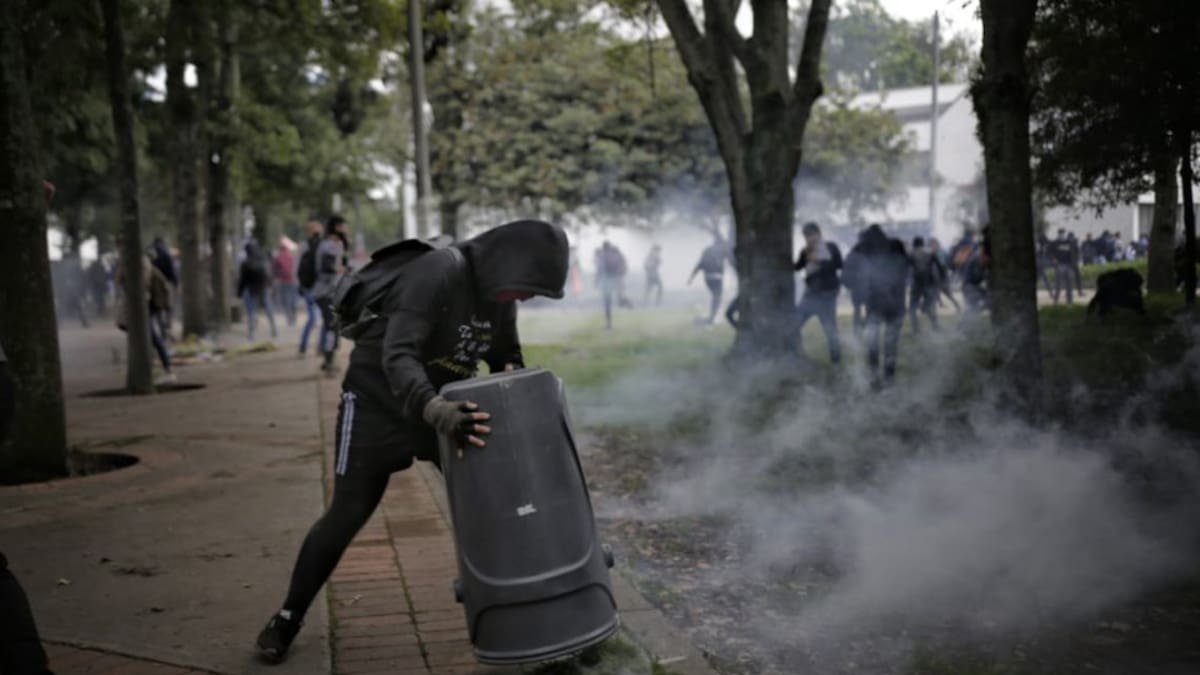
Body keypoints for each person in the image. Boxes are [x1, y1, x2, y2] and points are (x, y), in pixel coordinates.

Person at [254, 220, 569, 663]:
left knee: (491, 507)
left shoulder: (501, 295)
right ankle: (287, 617)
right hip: (375, 407)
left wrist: (518, 385)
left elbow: (504, 357)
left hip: (443, 412)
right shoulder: (438, 272)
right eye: (526, 289)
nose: (523, 299)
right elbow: (397, 354)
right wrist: (434, 407)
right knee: (347, 514)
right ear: (507, 264)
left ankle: (519, 609)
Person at [853, 225, 908, 387]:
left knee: (876, 342)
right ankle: (885, 378)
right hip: (890, 304)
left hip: (885, 304)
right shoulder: (895, 247)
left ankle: (877, 378)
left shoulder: (877, 250)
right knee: (887, 343)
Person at [116, 255, 176, 385]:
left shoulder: (140, 264)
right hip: (150, 305)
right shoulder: (136, 263)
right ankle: (157, 368)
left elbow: (142, 285)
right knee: (149, 337)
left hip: (148, 305)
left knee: (152, 337)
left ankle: (167, 370)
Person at [794, 222, 842, 363]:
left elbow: (839, 264)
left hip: (827, 295)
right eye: (807, 236)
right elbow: (798, 266)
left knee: (830, 331)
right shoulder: (805, 251)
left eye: (812, 235)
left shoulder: (830, 247)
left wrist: (820, 261)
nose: (810, 238)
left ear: (819, 234)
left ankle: (836, 361)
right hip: (810, 295)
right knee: (794, 324)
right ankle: (798, 354)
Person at [314, 216, 350, 373]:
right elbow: (326, 266)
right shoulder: (329, 245)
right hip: (325, 293)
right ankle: (329, 361)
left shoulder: (337, 244)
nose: (346, 229)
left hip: (331, 292)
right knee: (331, 326)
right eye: (343, 226)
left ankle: (328, 358)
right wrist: (340, 269)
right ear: (336, 227)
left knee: (332, 326)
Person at [238, 241, 279, 342]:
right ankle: (274, 329)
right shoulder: (263, 259)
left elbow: (243, 280)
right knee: (269, 310)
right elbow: (269, 274)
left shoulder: (246, 263)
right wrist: (271, 285)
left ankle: (252, 333)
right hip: (264, 288)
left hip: (252, 289)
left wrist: (239, 292)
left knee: (252, 312)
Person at [688, 238, 731, 325]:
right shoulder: (722, 250)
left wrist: (691, 278)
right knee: (717, 297)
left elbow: (699, 264)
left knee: (715, 297)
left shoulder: (707, 250)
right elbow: (731, 260)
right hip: (717, 277)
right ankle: (711, 318)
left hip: (708, 278)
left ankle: (711, 317)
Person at [908, 236, 944, 333]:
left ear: (914, 244)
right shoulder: (931, 253)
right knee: (929, 306)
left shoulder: (911, 254)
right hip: (929, 283)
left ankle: (916, 329)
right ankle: (935, 326)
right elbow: (940, 267)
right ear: (923, 243)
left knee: (912, 308)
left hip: (917, 284)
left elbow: (906, 268)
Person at [297, 221, 323, 357]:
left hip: (319, 288)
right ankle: (303, 346)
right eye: (314, 230)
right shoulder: (304, 246)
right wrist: (299, 285)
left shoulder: (322, 245)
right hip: (308, 287)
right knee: (313, 318)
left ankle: (319, 347)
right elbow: (297, 267)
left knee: (321, 319)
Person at [596, 241, 630, 330]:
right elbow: (624, 265)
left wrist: (597, 281)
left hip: (607, 280)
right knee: (620, 300)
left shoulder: (603, 255)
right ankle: (627, 303)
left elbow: (600, 269)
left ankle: (609, 324)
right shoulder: (617, 253)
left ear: (603, 247)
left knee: (607, 303)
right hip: (618, 279)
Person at [842, 231, 869, 338]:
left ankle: (857, 333)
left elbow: (846, 269)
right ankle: (861, 330)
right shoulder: (869, 251)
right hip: (865, 286)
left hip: (858, 287)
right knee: (867, 310)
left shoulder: (853, 252)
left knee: (857, 311)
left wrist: (848, 285)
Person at [150, 237, 178, 340]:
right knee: (169, 307)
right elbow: (172, 271)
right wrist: (176, 283)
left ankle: (163, 331)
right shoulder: (167, 255)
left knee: (158, 309)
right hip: (167, 284)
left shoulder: (153, 256)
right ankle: (167, 327)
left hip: (155, 287)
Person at [274, 239, 299, 327]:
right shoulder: (291, 256)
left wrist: (278, 277)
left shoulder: (278, 257)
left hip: (283, 281)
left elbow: (275, 270)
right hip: (293, 280)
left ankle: (289, 320)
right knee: (293, 300)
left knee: (287, 301)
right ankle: (294, 318)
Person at [1048, 229, 1076, 305]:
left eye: (1063, 233)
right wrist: (1053, 259)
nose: (1062, 235)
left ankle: (1070, 301)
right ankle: (1056, 300)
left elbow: (1074, 253)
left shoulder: (1069, 242)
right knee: (1058, 284)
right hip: (1059, 265)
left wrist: (1074, 263)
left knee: (1070, 284)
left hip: (1069, 265)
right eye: (1060, 233)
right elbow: (1049, 252)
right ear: (1058, 234)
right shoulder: (1054, 243)